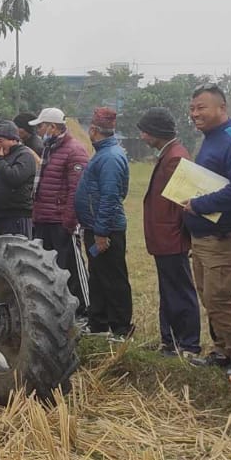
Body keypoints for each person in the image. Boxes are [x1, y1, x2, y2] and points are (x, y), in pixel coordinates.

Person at [184, 84, 231, 377]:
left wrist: (199, 204)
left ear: (222, 108)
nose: (195, 113)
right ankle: (220, 350)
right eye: (192, 108)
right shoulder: (209, 140)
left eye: (201, 107)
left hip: (225, 237)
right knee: (208, 296)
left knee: (221, 299)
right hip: (203, 237)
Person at [137, 107, 201, 356]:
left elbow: (185, 202)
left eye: (145, 132)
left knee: (180, 291)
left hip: (172, 238)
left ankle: (188, 343)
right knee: (168, 290)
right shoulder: (169, 154)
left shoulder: (175, 157)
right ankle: (169, 341)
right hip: (164, 238)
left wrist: (182, 235)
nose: (142, 136)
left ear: (157, 132)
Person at [74, 107, 133, 340]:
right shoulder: (103, 153)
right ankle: (98, 323)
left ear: (93, 130)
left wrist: (101, 231)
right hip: (96, 227)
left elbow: (110, 196)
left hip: (106, 231)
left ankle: (121, 328)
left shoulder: (109, 157)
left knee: (113, 279)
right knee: (98, 277)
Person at [31, 107, 91, 320]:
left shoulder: (74, 150)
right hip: (44, 217)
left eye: (41, 126)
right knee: (48, 267)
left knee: (72, 266)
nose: (39, 131)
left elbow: (77, 189)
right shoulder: (49, 148)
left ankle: (83, 309)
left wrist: (69, 220)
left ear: (53, 127)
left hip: (61, 220)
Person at [0, 122, 37, 237]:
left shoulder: (25, 155)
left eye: (0, 141)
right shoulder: (1, 159)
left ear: (13, 140)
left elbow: (15, 178)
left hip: (16, 216)